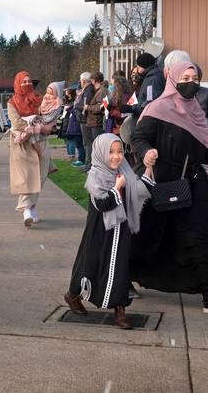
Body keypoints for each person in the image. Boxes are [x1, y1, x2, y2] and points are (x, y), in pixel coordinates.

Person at [130, 61, 208, 314]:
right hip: (162, 183)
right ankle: (126, 277)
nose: (190, 82)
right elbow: (139, 138)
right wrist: (146, 152)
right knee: (149, 235)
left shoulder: (196, 113)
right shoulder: (157, 108)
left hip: (193, 184)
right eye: (185, 77)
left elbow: (199, 152)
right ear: (173, 78)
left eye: (194, 77)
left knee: (202, 237)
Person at [64, 133, 150, 329]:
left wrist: (149, 169)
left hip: (120, 230)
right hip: (99, 232)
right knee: (89, 265)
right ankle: (72, 296)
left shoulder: (125, 171)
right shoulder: (95, 176)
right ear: (101, 152)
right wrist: (116, 188)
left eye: (119, 151)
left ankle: (120, 311)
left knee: (120, 267)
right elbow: (102, 204)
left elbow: (137, 190)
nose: (116, 156)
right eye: (111, 152)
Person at [8, 71, 51, 227]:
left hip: (41, 142)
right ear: (17, 83)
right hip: (22, 143)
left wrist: (42, 126)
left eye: (29, 81)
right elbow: (16, 122)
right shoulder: (12, 102)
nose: (27, 84)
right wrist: (33, 124)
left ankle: (32, 207)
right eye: (23, 81)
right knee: (27, 177)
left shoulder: (39, 99)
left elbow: (47, 116)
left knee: (40, 177)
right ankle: (26, 208)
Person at [75, 72, 95, 172]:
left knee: (87, 143)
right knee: (86, 143)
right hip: (85, 119)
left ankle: (89, 165)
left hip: (86, 120)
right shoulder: (88, 90)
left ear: (83, 81)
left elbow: (85, 105)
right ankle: (88, 164)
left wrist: (77, 105)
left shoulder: (88, 90)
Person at [62, 87, 86, 166]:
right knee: (77, 143)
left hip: (76, 125)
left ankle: (80, 159)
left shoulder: (77, 102)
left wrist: (71, 109)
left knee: (79, 144)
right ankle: (79, 158)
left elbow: (77, 111)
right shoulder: (74, 101)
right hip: (72, 125)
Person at [193, 64, 208, 129]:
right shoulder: (179, 93)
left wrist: (201, 124)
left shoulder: (207, 93)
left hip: (203, 130)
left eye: (195, 77)